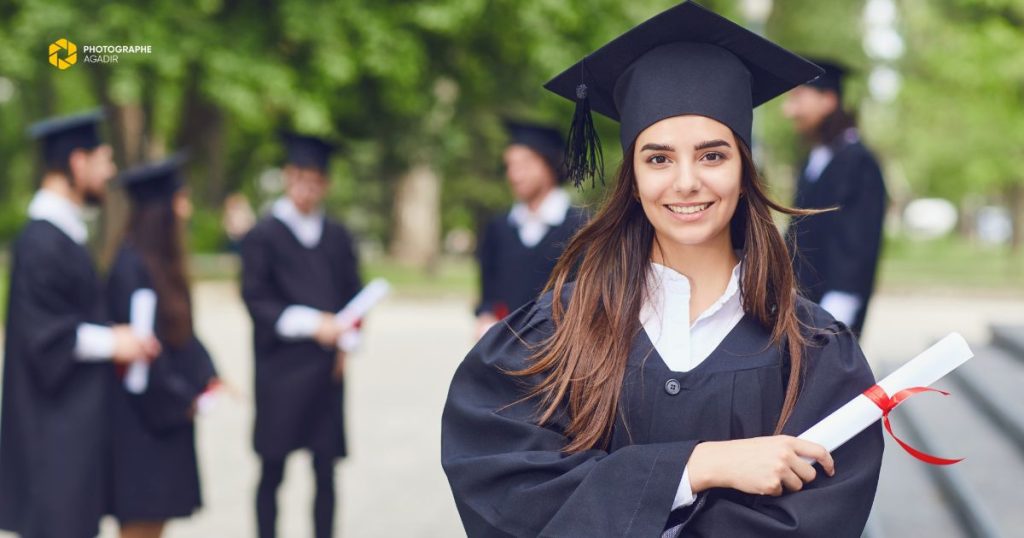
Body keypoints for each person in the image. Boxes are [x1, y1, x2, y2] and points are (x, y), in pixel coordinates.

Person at [441, 3, 884, 537]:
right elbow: (509, 492)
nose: (686, 181)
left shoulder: (812, 351)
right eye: (658, 158)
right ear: (632, 175)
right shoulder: (557, 331)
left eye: (713, 155)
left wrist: (630, 493)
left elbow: (816, 520)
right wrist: (696, 467)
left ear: (744, 169)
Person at [0, 110, 160, 538]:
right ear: (77, 162)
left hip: (69, 436)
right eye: (103, 160)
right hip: (51, 440)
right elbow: (44, 336)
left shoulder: (63, 234)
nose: (109, 173)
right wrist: (115, 341)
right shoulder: (41, 241)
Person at [241, 132, 362, 538]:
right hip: (281, 369)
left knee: (325, 469)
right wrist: (315, 325)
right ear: (287, 177)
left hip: (326, 372)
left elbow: (354, 298)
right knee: (272, 467)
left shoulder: (337, 236)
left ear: (325, 183)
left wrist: (347, 339)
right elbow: (257, 301)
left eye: (315, 179)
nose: (307, 187)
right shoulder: (263, 236)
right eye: (299, 177)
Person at [106, 155, 221, 538]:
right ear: (161, 211)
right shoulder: (131, 267)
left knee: (157, 526)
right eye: (180, 200)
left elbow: (178, 336)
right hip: (142, 425)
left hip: (164, 420)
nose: (186, 210)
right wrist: (182, 398)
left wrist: (208, 375)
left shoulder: (160, 266)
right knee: (141, 524)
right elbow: (145, 355)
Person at [783, 58, 887, 337]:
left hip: (831, 311)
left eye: (798, 98)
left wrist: (838, 310)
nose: (789, 110)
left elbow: (859, 242)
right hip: (802, 306)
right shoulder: (815, 159)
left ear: (828, 100)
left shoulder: (858, 162)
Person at [474, 120, 588, 338]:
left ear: (549, 164)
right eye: (510, 166)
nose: (515, 175)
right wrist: (486, 316)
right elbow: (488, 294)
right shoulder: (499, 228)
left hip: (563, 350)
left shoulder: (583, 228)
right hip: (505, 348)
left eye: (525, 165)